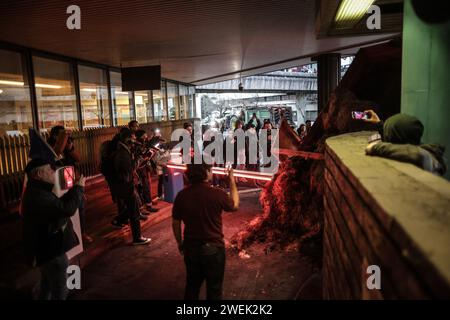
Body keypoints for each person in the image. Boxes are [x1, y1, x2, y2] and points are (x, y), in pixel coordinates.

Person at [172, 164, 239, 300]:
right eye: (211, 170)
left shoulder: (181, 195)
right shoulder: (217, 193)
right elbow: (234, 205)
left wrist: (180, 243)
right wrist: (231, 180)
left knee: (192, 286)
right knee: (214, 289)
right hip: (213, 249)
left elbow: (176, 222)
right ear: (206, 172)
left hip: (191, 248)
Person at [22, 158, 85, 300]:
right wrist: (79, 188)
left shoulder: (38, 190)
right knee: (60, 290)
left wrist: (74, 189)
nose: (53, 172)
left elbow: (58, 205)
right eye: (49, 170)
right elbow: (66, 209)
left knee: (46, 285)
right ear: (38, 173)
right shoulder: (38, 195)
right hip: (52, 251)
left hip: (47, 250)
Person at [362, 110, 446, 176]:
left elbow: (415, 153)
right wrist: (379, 123)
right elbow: (397, 140)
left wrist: (375, 147)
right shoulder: (418, 147)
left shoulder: (423, 156)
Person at [47, 126, 92, 244]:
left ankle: (82, 233)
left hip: (71, 179)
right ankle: (67, 234)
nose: (67, 137)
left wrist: (70, 148)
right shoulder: (50, 146)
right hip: (58, 183)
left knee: (80, 205)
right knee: (66, 208)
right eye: (64, 134)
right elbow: (56, 154)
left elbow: (77, 158)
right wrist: (63, 144)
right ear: (55, 136)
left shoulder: (68, 144)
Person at [111, 127, 151, 245]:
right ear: (127, 139)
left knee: (134, 206)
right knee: (134, 211)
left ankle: (118, 220)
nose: (134, 141)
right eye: (133, 139)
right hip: (125, 185)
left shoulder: (124, 150)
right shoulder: (122, 153)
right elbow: (130, 169)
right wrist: (141, 158)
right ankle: (137, 237)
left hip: (125, 184)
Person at [134, 129, 159, 213]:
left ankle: (148, 203)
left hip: (144, 168)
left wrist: (151, 153)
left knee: (146, 186)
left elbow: (146, 157)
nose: (146, 137)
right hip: (140, 170)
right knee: (144, 187)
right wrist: (148, 154)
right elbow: (140, 158)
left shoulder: (143, 144)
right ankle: (146, 206)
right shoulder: (137, 146)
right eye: (144, 135)